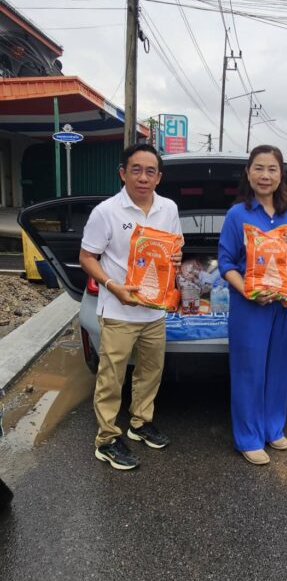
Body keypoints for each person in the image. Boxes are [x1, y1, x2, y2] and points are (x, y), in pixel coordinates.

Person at [79, 143, 182, 471]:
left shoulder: (169, 209)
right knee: (112, 377)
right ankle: (107, 438)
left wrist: (176, 257)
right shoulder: (106, 211)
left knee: (151, 371)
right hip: (118, 310)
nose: (143, 177)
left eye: (150, 171)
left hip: (154, 310)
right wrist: (113, 286)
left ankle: (140, 422)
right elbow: (87, 257)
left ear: (159, 177)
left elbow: (176, 247)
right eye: (136, 170)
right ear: (123, 173)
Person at [218, 145, 287, 465]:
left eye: (272, 169)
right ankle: (248, 437)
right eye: (258, 168)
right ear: (248, 173)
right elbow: (226, 263)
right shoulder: (237, 215)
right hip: (251, 307)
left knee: (279, 368)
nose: (265, 175)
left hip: (285, 304)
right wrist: (248, 291)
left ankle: (273, 428)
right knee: (249, 371)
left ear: (280, 175)